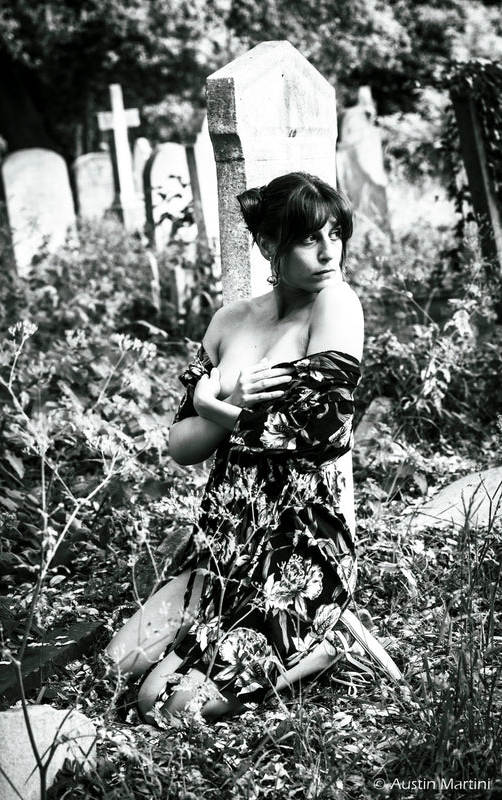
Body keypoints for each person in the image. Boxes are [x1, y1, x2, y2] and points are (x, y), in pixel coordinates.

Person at [106, 172, 394, 724]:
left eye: (335, 234)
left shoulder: (335, 304)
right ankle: (208, 644)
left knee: (166, 705)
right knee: (116, 666)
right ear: (267, 245)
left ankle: (323, 647)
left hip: (297, 549)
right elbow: (180, 444)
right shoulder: (230, 321)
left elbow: (318, 437)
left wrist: (216, 406)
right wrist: (231, 404)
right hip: (224, 542)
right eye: (308, 239)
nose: (329, 252)